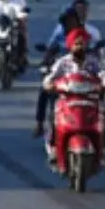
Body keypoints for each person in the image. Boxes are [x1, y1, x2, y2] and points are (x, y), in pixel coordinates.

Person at [41, 28, 105, 157]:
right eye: (77, 44)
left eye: (83, 43)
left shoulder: (93, 61)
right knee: (54, 117)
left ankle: (102, 147)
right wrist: (48, 83)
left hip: (90, 100)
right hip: (68, 100)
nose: (81, 47)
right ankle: (53, 147)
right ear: (71, 45)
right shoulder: (63, 62)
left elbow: (103, 74)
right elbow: (51, 76)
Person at [33, 8, 83, 138]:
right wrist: (45, 65)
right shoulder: (59, 37)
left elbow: (95, 55)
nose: (70, 24)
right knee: (44, 90)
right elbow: (49, 53)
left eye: (72, 21)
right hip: (62, 77)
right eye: (67, 21)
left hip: (83, 78)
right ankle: (40, 123)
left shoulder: (85, 35)